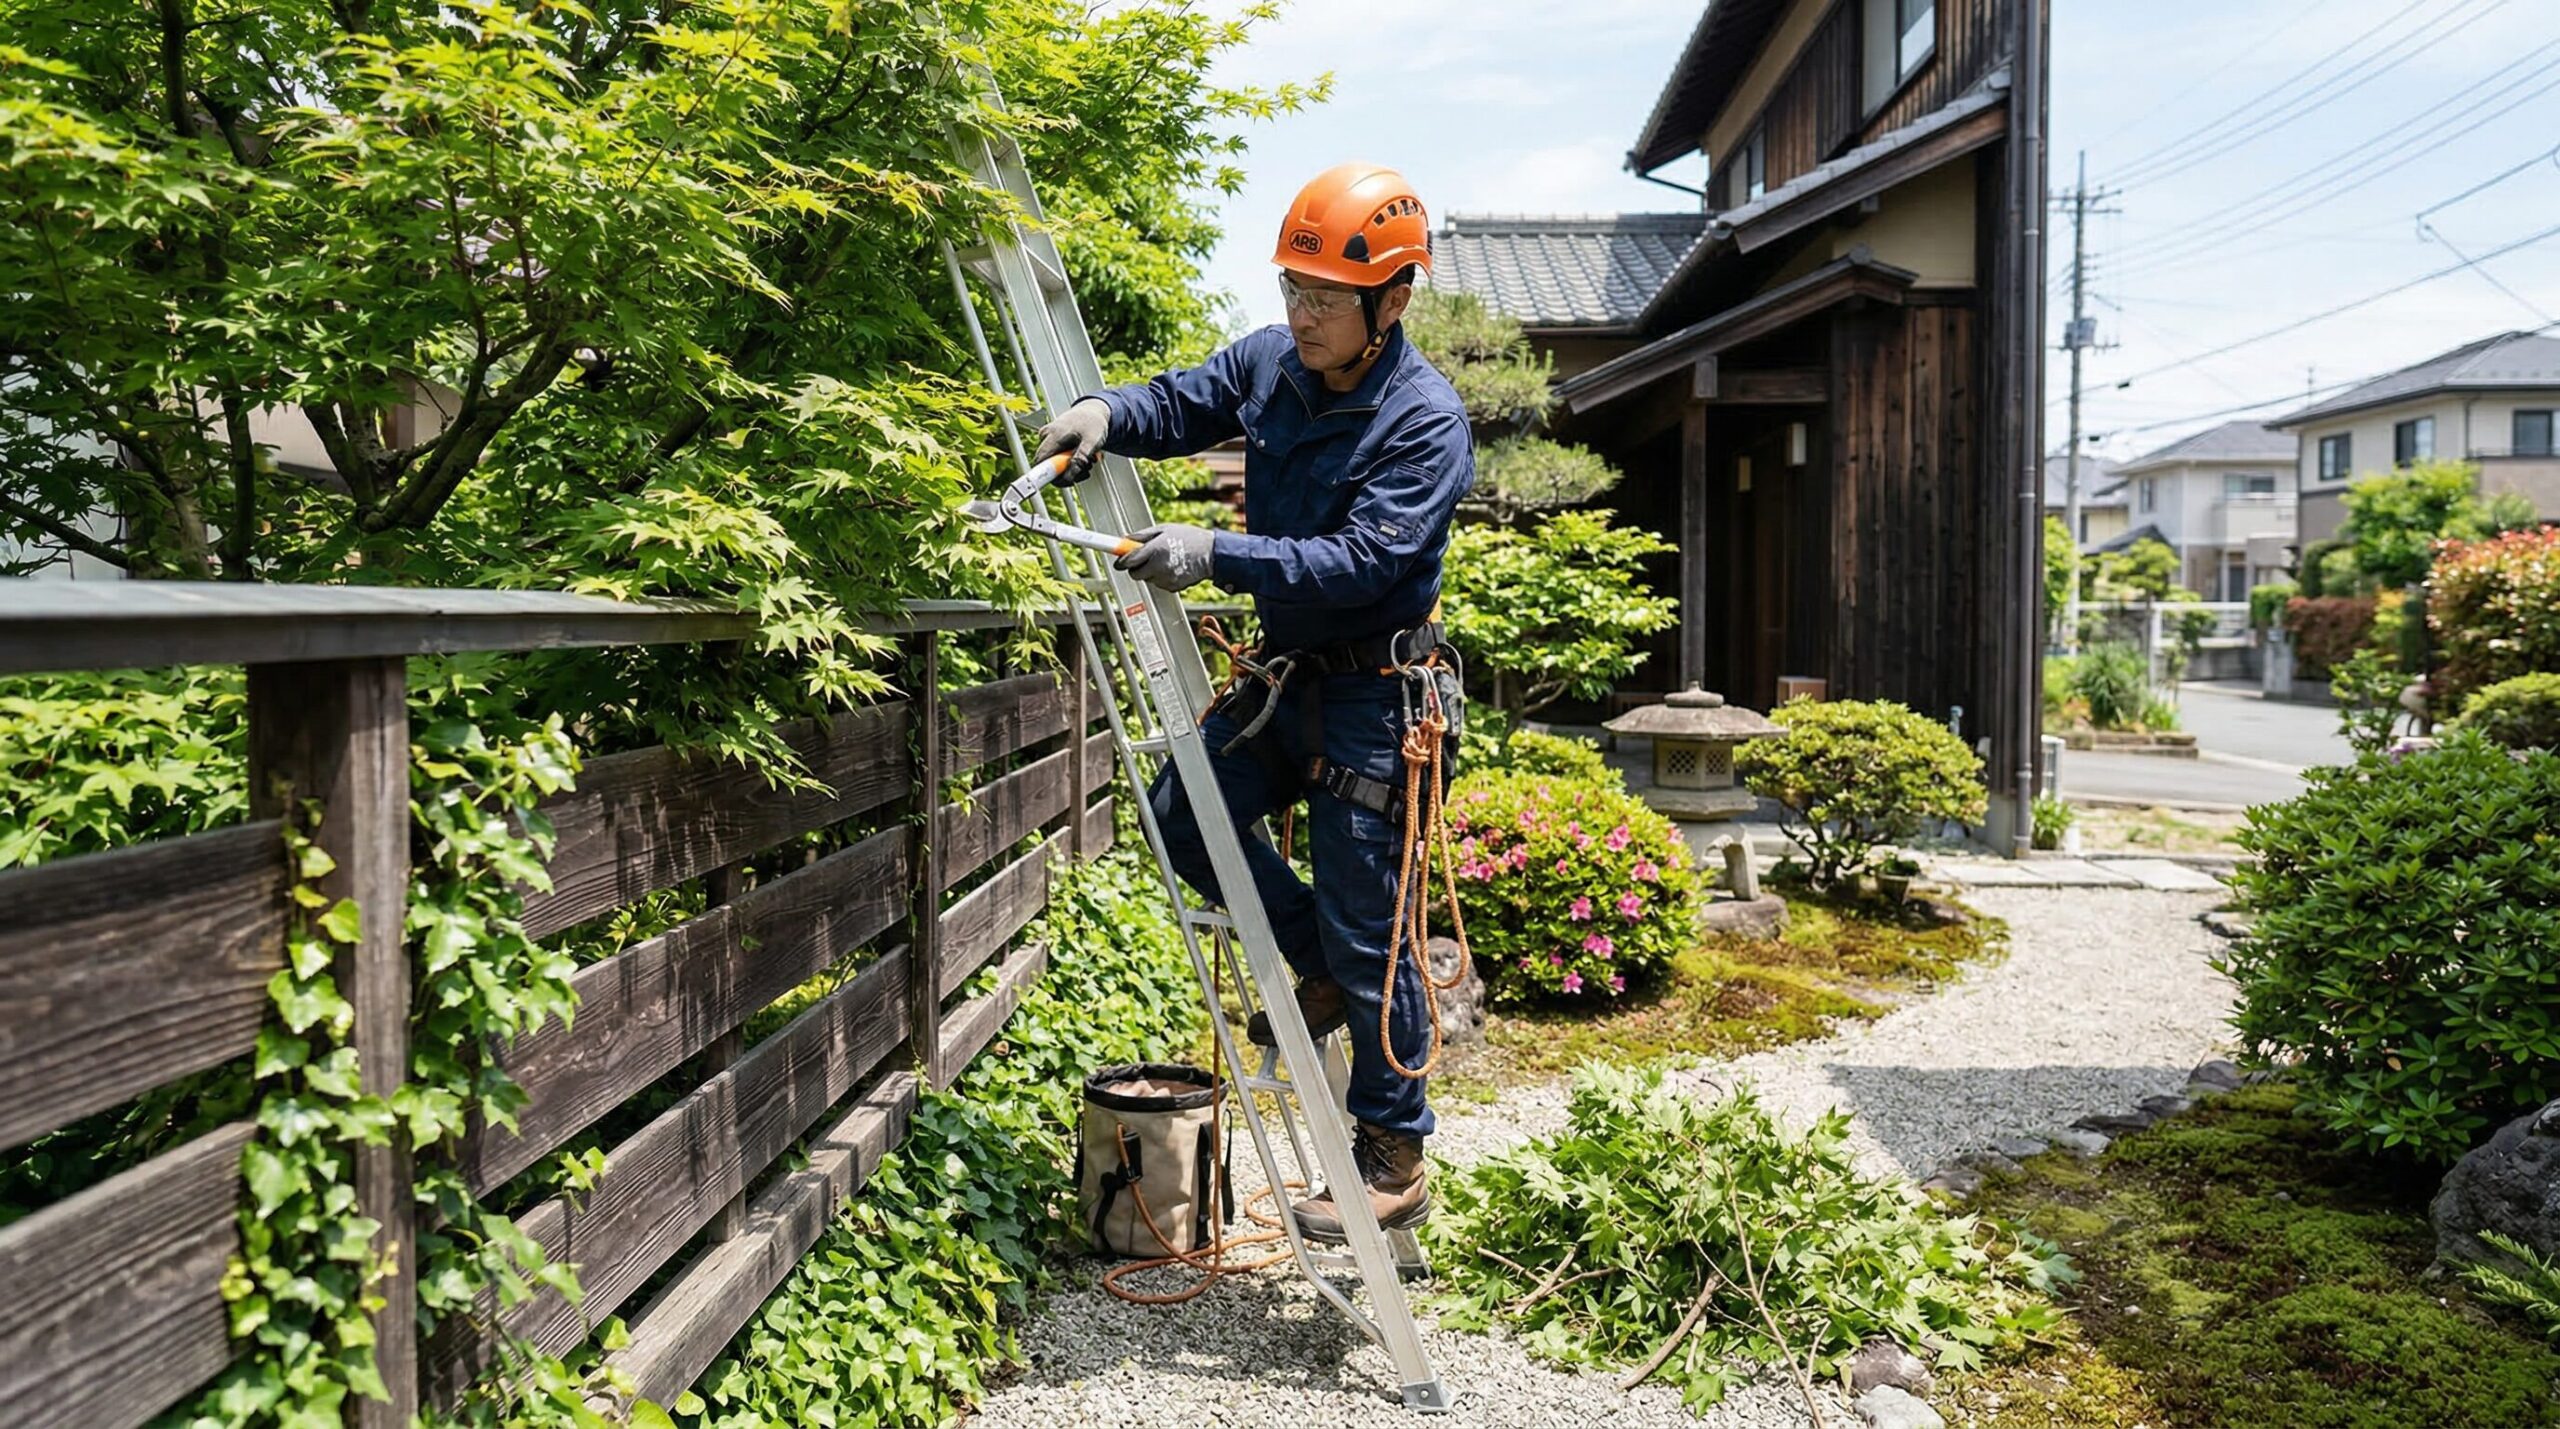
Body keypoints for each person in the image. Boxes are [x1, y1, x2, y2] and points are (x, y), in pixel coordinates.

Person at [1027, 162, 1472, 1241]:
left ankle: (1393, 1150)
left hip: (1379, 695)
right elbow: (1183, 399)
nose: (1303, 314)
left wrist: (1215, 552)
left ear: (1392, 299)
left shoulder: (1425, 421)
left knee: (1372, 928)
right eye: (1293, 289)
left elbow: (1363, 560)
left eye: (1326, 298)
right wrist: (1103, 412)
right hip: (1290, 679)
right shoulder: (1273, 362)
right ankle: (1314, 963)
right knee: (1181, 811)